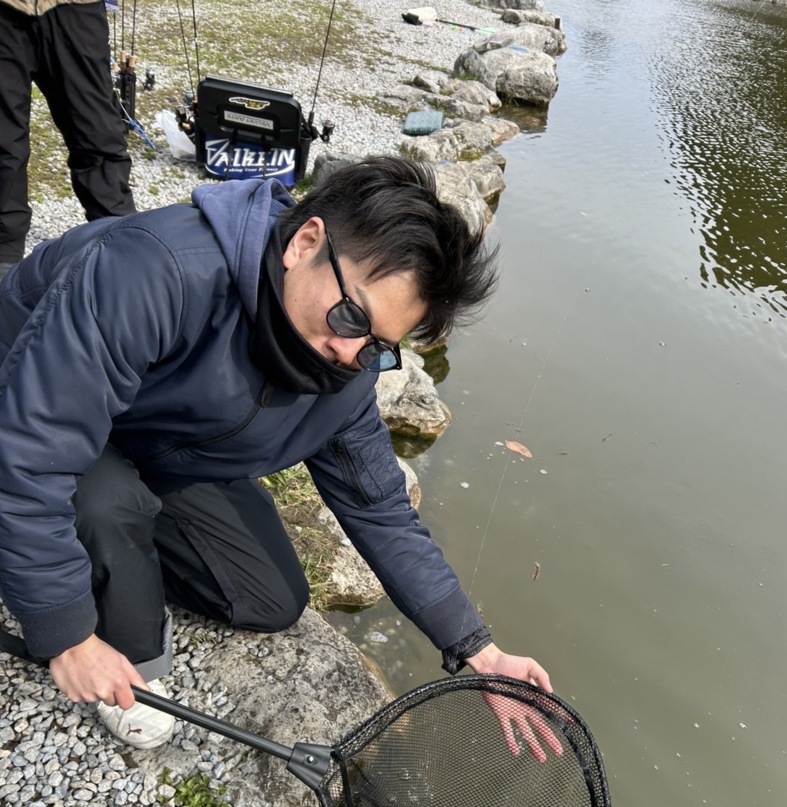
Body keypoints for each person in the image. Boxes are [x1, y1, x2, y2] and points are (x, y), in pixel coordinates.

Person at [0, 156, 557, 759]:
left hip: (152, 441)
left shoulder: (343, 375)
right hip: (24, 395)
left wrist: (477, 647)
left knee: (271, 598)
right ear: (305, 241)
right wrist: (67, 632)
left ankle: (79, 544)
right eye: (351, 318)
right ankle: (104, 619)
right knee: (105, 503)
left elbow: (383, 512)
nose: (348, 353)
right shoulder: (155, 270)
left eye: (376, 347)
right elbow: (30, 451)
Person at [0, 0, 135, 281]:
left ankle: (124, 249)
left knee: (98, 134)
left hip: (74, 9)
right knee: (3, 144)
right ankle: (4, 259)